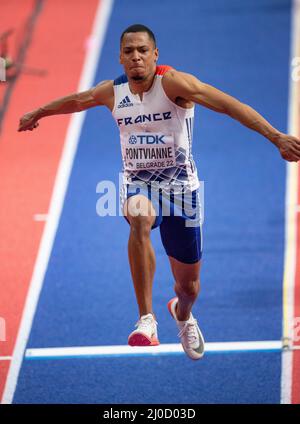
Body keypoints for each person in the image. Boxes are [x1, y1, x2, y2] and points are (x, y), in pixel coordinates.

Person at [18, 24, 300, 361]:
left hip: (182, 192)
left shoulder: (176, 84)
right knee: (139, 215)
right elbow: (78, 100)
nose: (135, 57)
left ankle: (182, 313)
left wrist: (276, 137)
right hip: (141, 186)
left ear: (155, 55)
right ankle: (146, 319)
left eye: (141, 50)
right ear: (120, 58)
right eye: (128, 52)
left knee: (189, 288)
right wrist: (39, 112)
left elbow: (229, 105)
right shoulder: (112, 92)